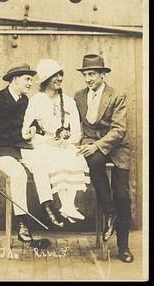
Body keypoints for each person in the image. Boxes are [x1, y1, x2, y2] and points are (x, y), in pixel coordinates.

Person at [0, 62, 64, 244]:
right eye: (27, 79)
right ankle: (22, 224)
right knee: (18, 173)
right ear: (14, 80)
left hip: (17, 146)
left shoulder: (24, 101)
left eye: (32, 79)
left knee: (39, 162)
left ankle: (47, 207)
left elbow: (30, 121)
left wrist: (34, 128)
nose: (30, 83)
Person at [74, 54, 134, 263]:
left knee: (122, 197)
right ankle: (110, 213)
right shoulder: (79, 96)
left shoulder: (116, 95)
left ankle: (123, 247)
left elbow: (119, 130)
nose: (88, 79)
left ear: (102, 75)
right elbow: (77, 125)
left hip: (116, 148)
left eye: (92, 74)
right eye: (85, 75)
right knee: (94, 161)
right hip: (91, 146)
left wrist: (97, 145)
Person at [22, 59, 90, 223]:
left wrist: (68, 141)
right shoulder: (36, 100)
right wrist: (46, 141)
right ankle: (67, 206)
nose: (59, 78)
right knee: (54, 157)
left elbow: (76, 130)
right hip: (44, 144)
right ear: (45, 80)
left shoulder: (68, 101)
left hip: (66, 143)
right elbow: (25, 130)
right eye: (55, 75)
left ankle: (68, 205)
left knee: (73, 155)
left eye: (60, 74)